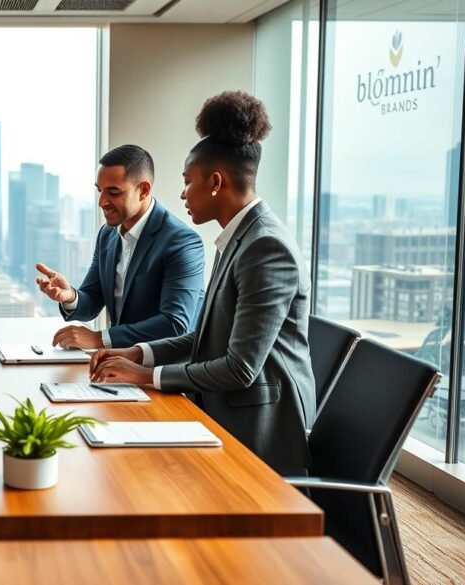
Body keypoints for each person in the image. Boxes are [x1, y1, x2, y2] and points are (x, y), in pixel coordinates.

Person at [90, 91, 315, 476]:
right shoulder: (240, 239)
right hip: (226, 404)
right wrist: (138, 354)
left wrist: (147, 376)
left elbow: (240, 368)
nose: (181, 194)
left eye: (187, 181)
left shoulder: (265, 247)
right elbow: (206, 337)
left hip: (259, 428)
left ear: (215, 182)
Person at [34, 145, 205, 350]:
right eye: (100, 190)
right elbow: (92, 301)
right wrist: (70, 296)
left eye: (113, 192)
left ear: (143, 190)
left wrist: (99, 339)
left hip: (163, 371)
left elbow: (174, 325)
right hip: (119, 365)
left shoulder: (182, 241)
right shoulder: (107, 234)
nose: (102, 202)